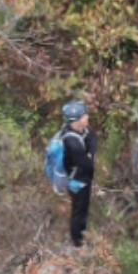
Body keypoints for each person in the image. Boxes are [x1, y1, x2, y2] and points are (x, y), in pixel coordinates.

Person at [59, 101, 96, 248]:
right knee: (79, 209)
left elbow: (93, 137)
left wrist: (90, 153)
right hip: (77, 180)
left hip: (80, 176)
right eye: (83, 115)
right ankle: (78, 241)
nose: (87, 117)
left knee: (82, 207)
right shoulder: (71, 143)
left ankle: (82, 233)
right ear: (76, 121)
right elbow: (87, 165)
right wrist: (89, 157)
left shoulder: (81, 130)